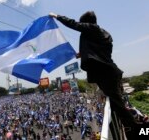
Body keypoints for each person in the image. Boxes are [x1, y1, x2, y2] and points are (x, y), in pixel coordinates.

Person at [49, 11, 136, 139]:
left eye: (83, 23)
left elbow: (74, 24)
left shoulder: (93, 28)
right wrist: (82, 53)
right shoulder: (101, 33)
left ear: (87, 22)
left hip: (106, 73)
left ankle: (135, 131)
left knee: (118, 105)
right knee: (116, 102)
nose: (82, 26)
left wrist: (56, 16)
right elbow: (98, 51)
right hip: (108, 72)